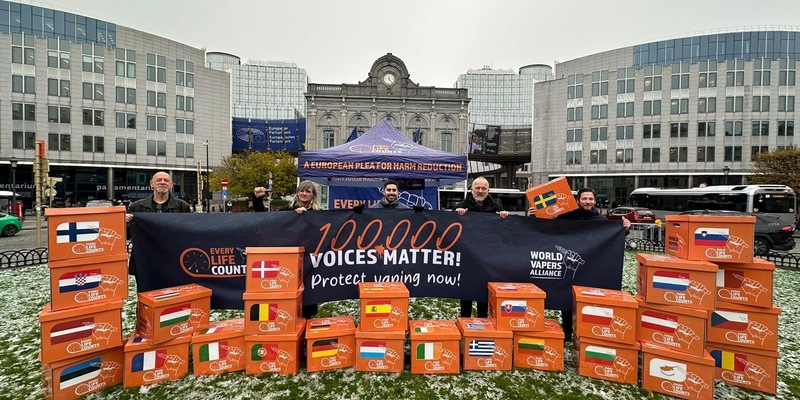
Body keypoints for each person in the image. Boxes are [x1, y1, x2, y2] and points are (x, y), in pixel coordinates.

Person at [528, 187, 630, 342]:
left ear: (595, 201)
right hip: (568, 265)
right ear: (578, 200)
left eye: (590, 199)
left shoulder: (601, 221)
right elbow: (547, 230)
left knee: (588, 301)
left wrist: (625, 229)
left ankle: (585, 334)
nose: (587, 202)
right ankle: (567, 333)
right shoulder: (566, 217)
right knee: (566, 298)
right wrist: (533, 218)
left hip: (590, 267)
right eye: (584, 199)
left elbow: (611, 238)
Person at [252, 180, 322, 319]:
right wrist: (257, 198)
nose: (304, 193)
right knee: (288, 297)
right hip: (288, 260)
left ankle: (306, 327)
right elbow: (264, 220)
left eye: (308, 191)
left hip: (308, 262)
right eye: (302, 190)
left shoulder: (318, 214)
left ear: (313, 195)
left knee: (307, 298)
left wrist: (307, 216)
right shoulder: (286, 212)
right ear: (297, 193)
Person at [453, 176, 510, 318]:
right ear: (471, 189)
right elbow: (452, 231)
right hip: (467, 258)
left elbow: (505, 232)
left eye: (483, 188)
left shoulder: (497, 207)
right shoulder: (460, 206)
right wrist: (456, 216)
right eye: (477, 188)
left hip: (487, 259)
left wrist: (505, 218)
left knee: (484, 293)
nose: (480, 191)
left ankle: (483, 322)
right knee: (466, 293)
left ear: (488, 190)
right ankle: (464, 322)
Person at [126, 171, 192, 275]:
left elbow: (189, 233)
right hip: (145, 261)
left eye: (166, 180)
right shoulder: (136, 207)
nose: (162, 182)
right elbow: (127, 236)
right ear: (151, 183)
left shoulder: (183, 207)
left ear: (171, 185)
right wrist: (124, 223)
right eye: (159, 180)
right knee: (146, 291)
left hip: (173, 261)